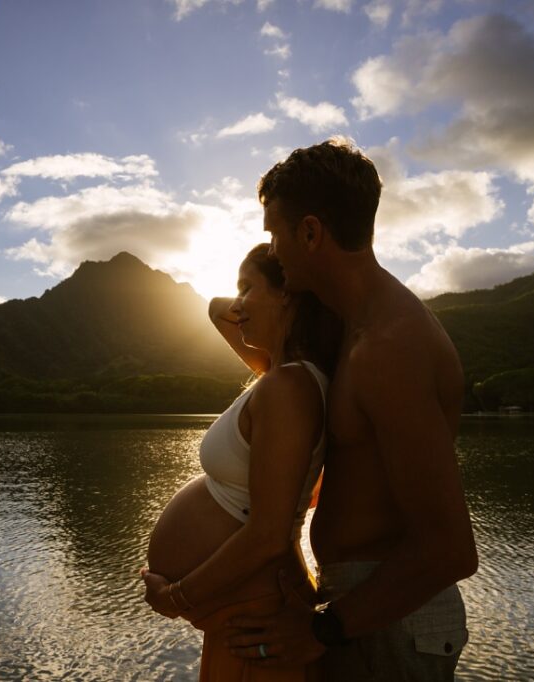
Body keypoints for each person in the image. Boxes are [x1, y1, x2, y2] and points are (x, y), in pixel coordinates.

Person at [225, 138, 479, 680]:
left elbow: (449, 548)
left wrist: (321, 629)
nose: (272, 250)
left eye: (275, 234)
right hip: (363, 608)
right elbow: (225, 315)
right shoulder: (352, 327)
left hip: (390, 621)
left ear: (311, 232)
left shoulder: (391, 346)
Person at [141, 244, 342, 681]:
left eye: (248, 288)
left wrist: (177, 597)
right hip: (242, 608)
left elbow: (268, 535)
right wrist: (252, 296)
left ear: (287, 294)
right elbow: (217, 311)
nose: (236, 304)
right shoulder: (281, 373)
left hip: (254, 616)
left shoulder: (288, 387)